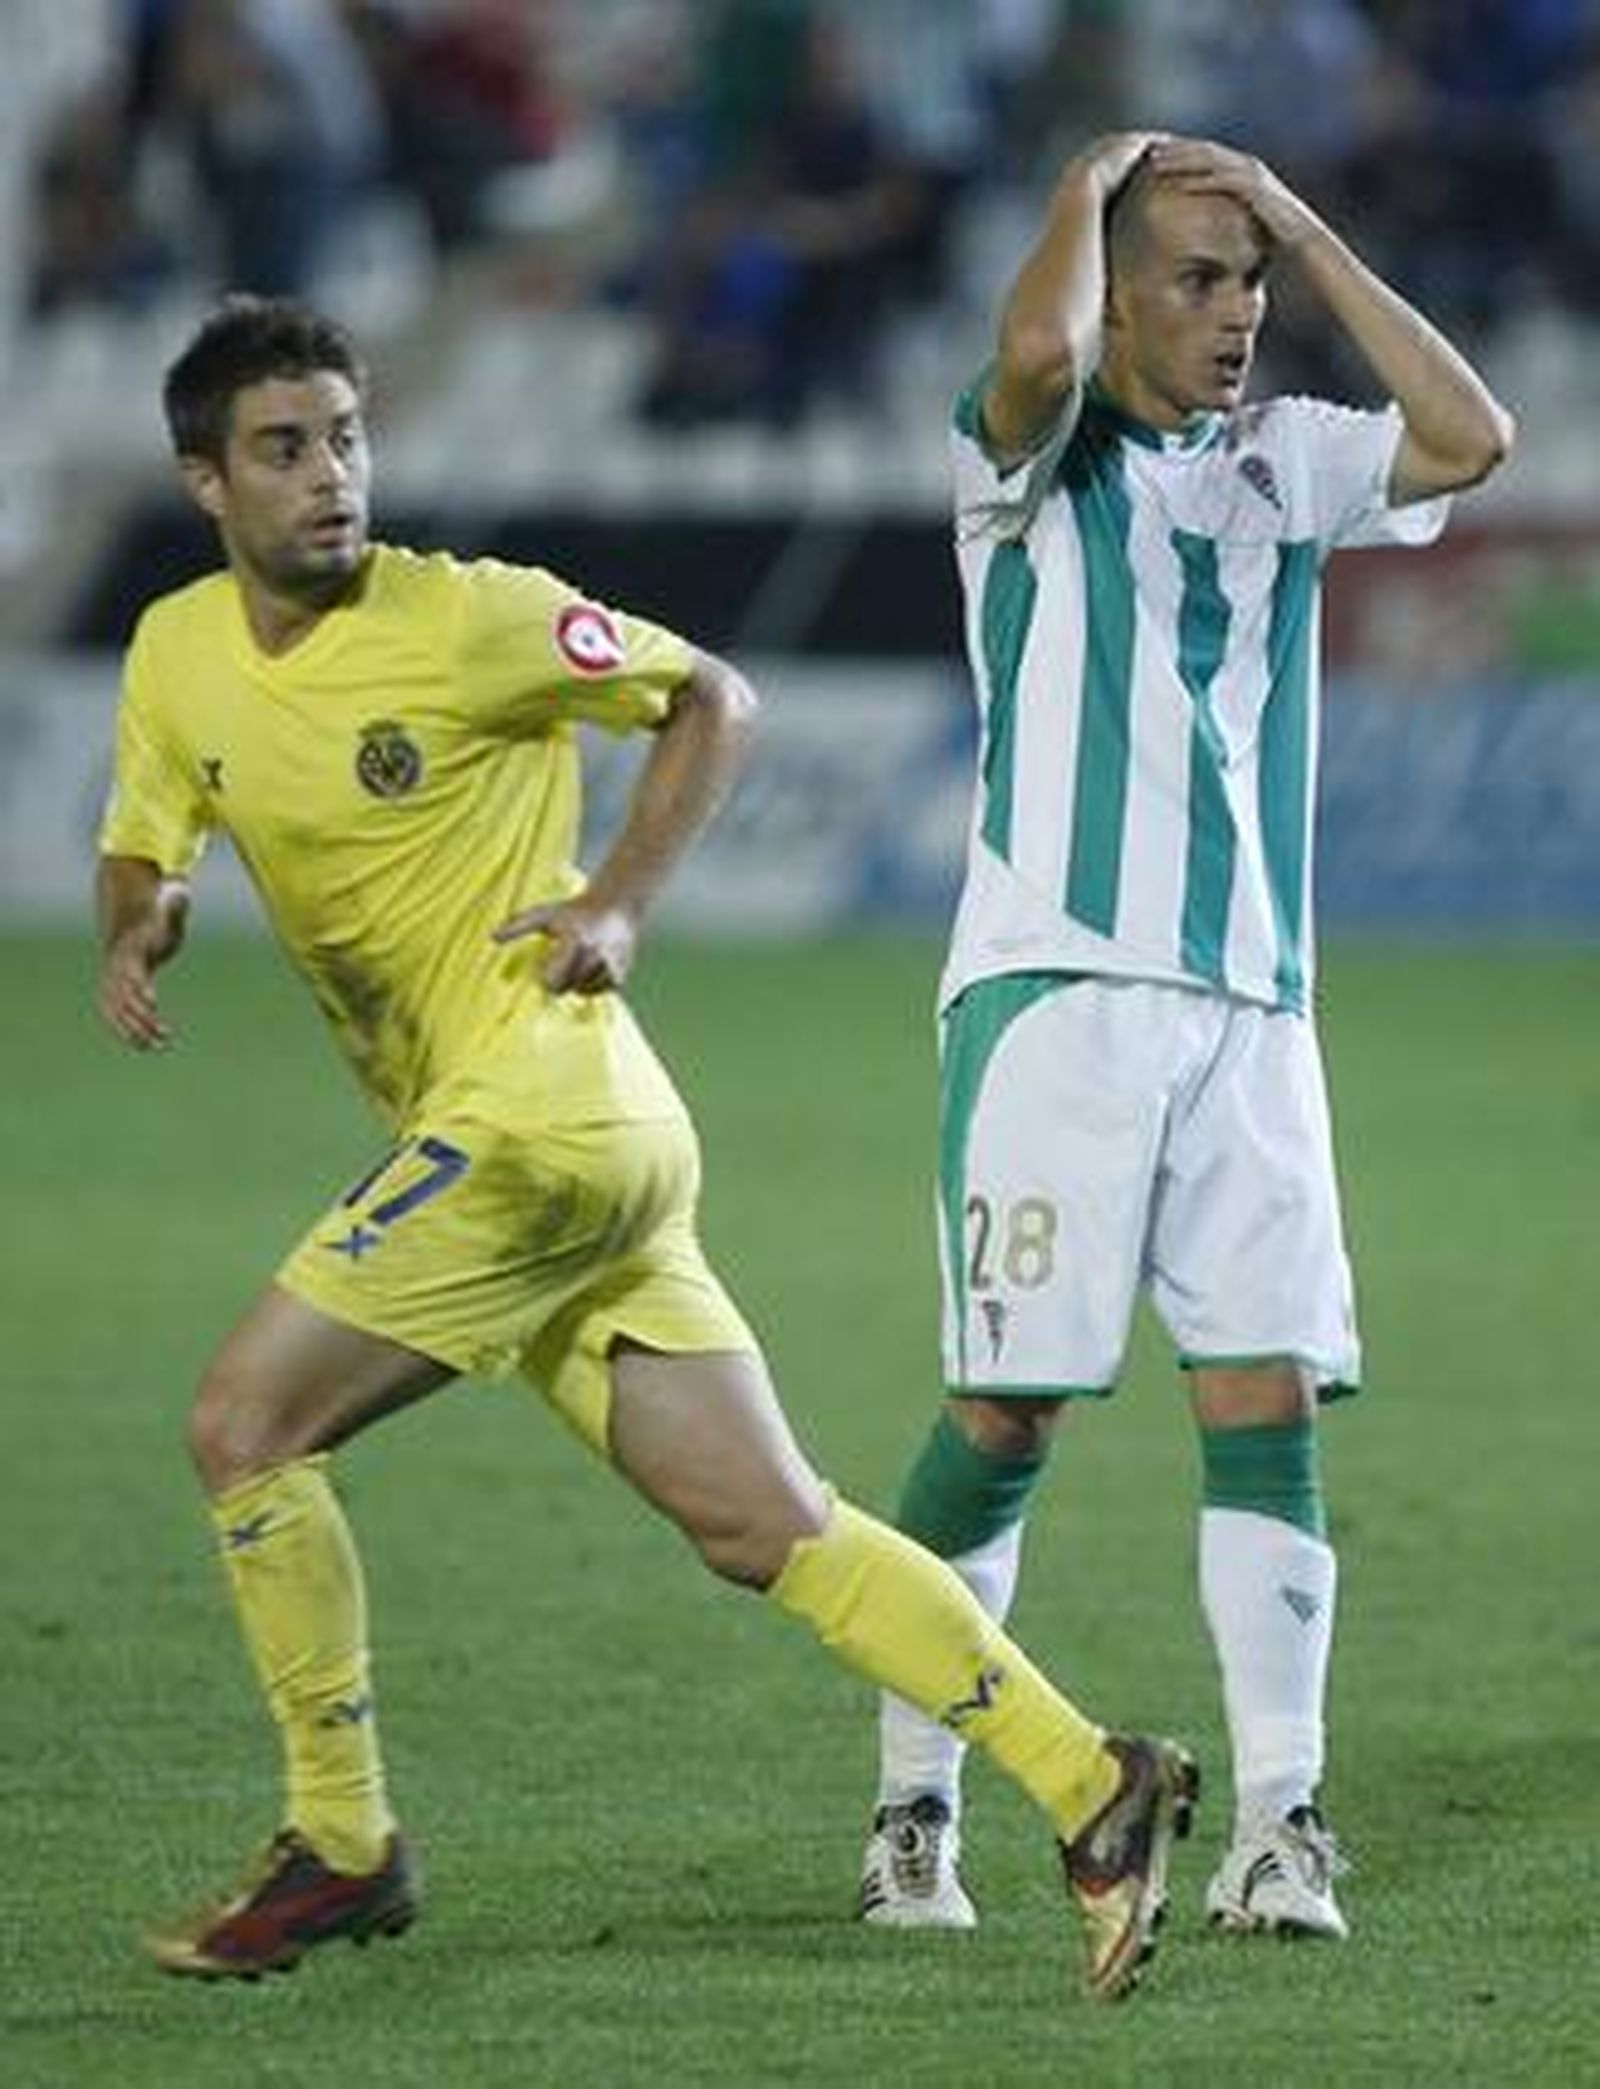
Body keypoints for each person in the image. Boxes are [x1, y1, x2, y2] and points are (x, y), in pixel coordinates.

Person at [96, 295, 1198, 2001]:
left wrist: (618, 897)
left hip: (536, 1119)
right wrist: (139, 913)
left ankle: (341, 1837)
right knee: (769, 1523)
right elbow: (149, 820)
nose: (332, 476)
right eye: (285, 447)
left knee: (244, 1425)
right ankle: (1091, 1778)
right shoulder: (176, 651)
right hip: (562, 1160)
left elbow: (719, 699)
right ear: (203, 481)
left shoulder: (473, 619)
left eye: (347, 436)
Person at [857, 134, 1512, 1942]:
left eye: (1250, 286)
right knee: (1005, 1413)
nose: (1236, 316)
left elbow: (1471, 439)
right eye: (1200, 280)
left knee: (1267, 1400)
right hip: (1055, 992)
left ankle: (1282, 1824)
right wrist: (1083, 180)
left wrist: (1304, 220)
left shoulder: (1285, 462)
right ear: (1120, 286)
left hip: (1255, 1009)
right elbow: (1042, 362)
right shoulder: (1028, 462)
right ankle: (917, 1807)